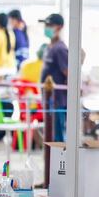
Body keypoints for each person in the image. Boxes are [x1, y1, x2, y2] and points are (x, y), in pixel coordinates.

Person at [39, 13, 68, 142]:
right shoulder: (48, 48)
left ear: (60, 27)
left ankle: (60, 162)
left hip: (57, 100)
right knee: (50, 136)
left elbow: (68, 73)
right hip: (48, 99)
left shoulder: (60, 49)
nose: (47, 28)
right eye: (46, 25)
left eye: (50, 25)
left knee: (57, 138)